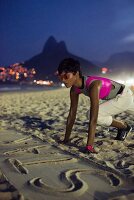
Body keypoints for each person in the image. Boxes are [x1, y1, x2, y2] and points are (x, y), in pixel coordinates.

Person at [57, 58, 134, 153]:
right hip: (119, 97)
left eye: (66, 76)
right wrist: (66, 139)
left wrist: (89, 146)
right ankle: (124, 127)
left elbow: (94, 118)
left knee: (94, 115)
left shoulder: (93, 85)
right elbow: (72, 115)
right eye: (60, 77)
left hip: (123, 96)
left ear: (76, 74)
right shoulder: (74, 90)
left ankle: (124, 127)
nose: (63, 80)